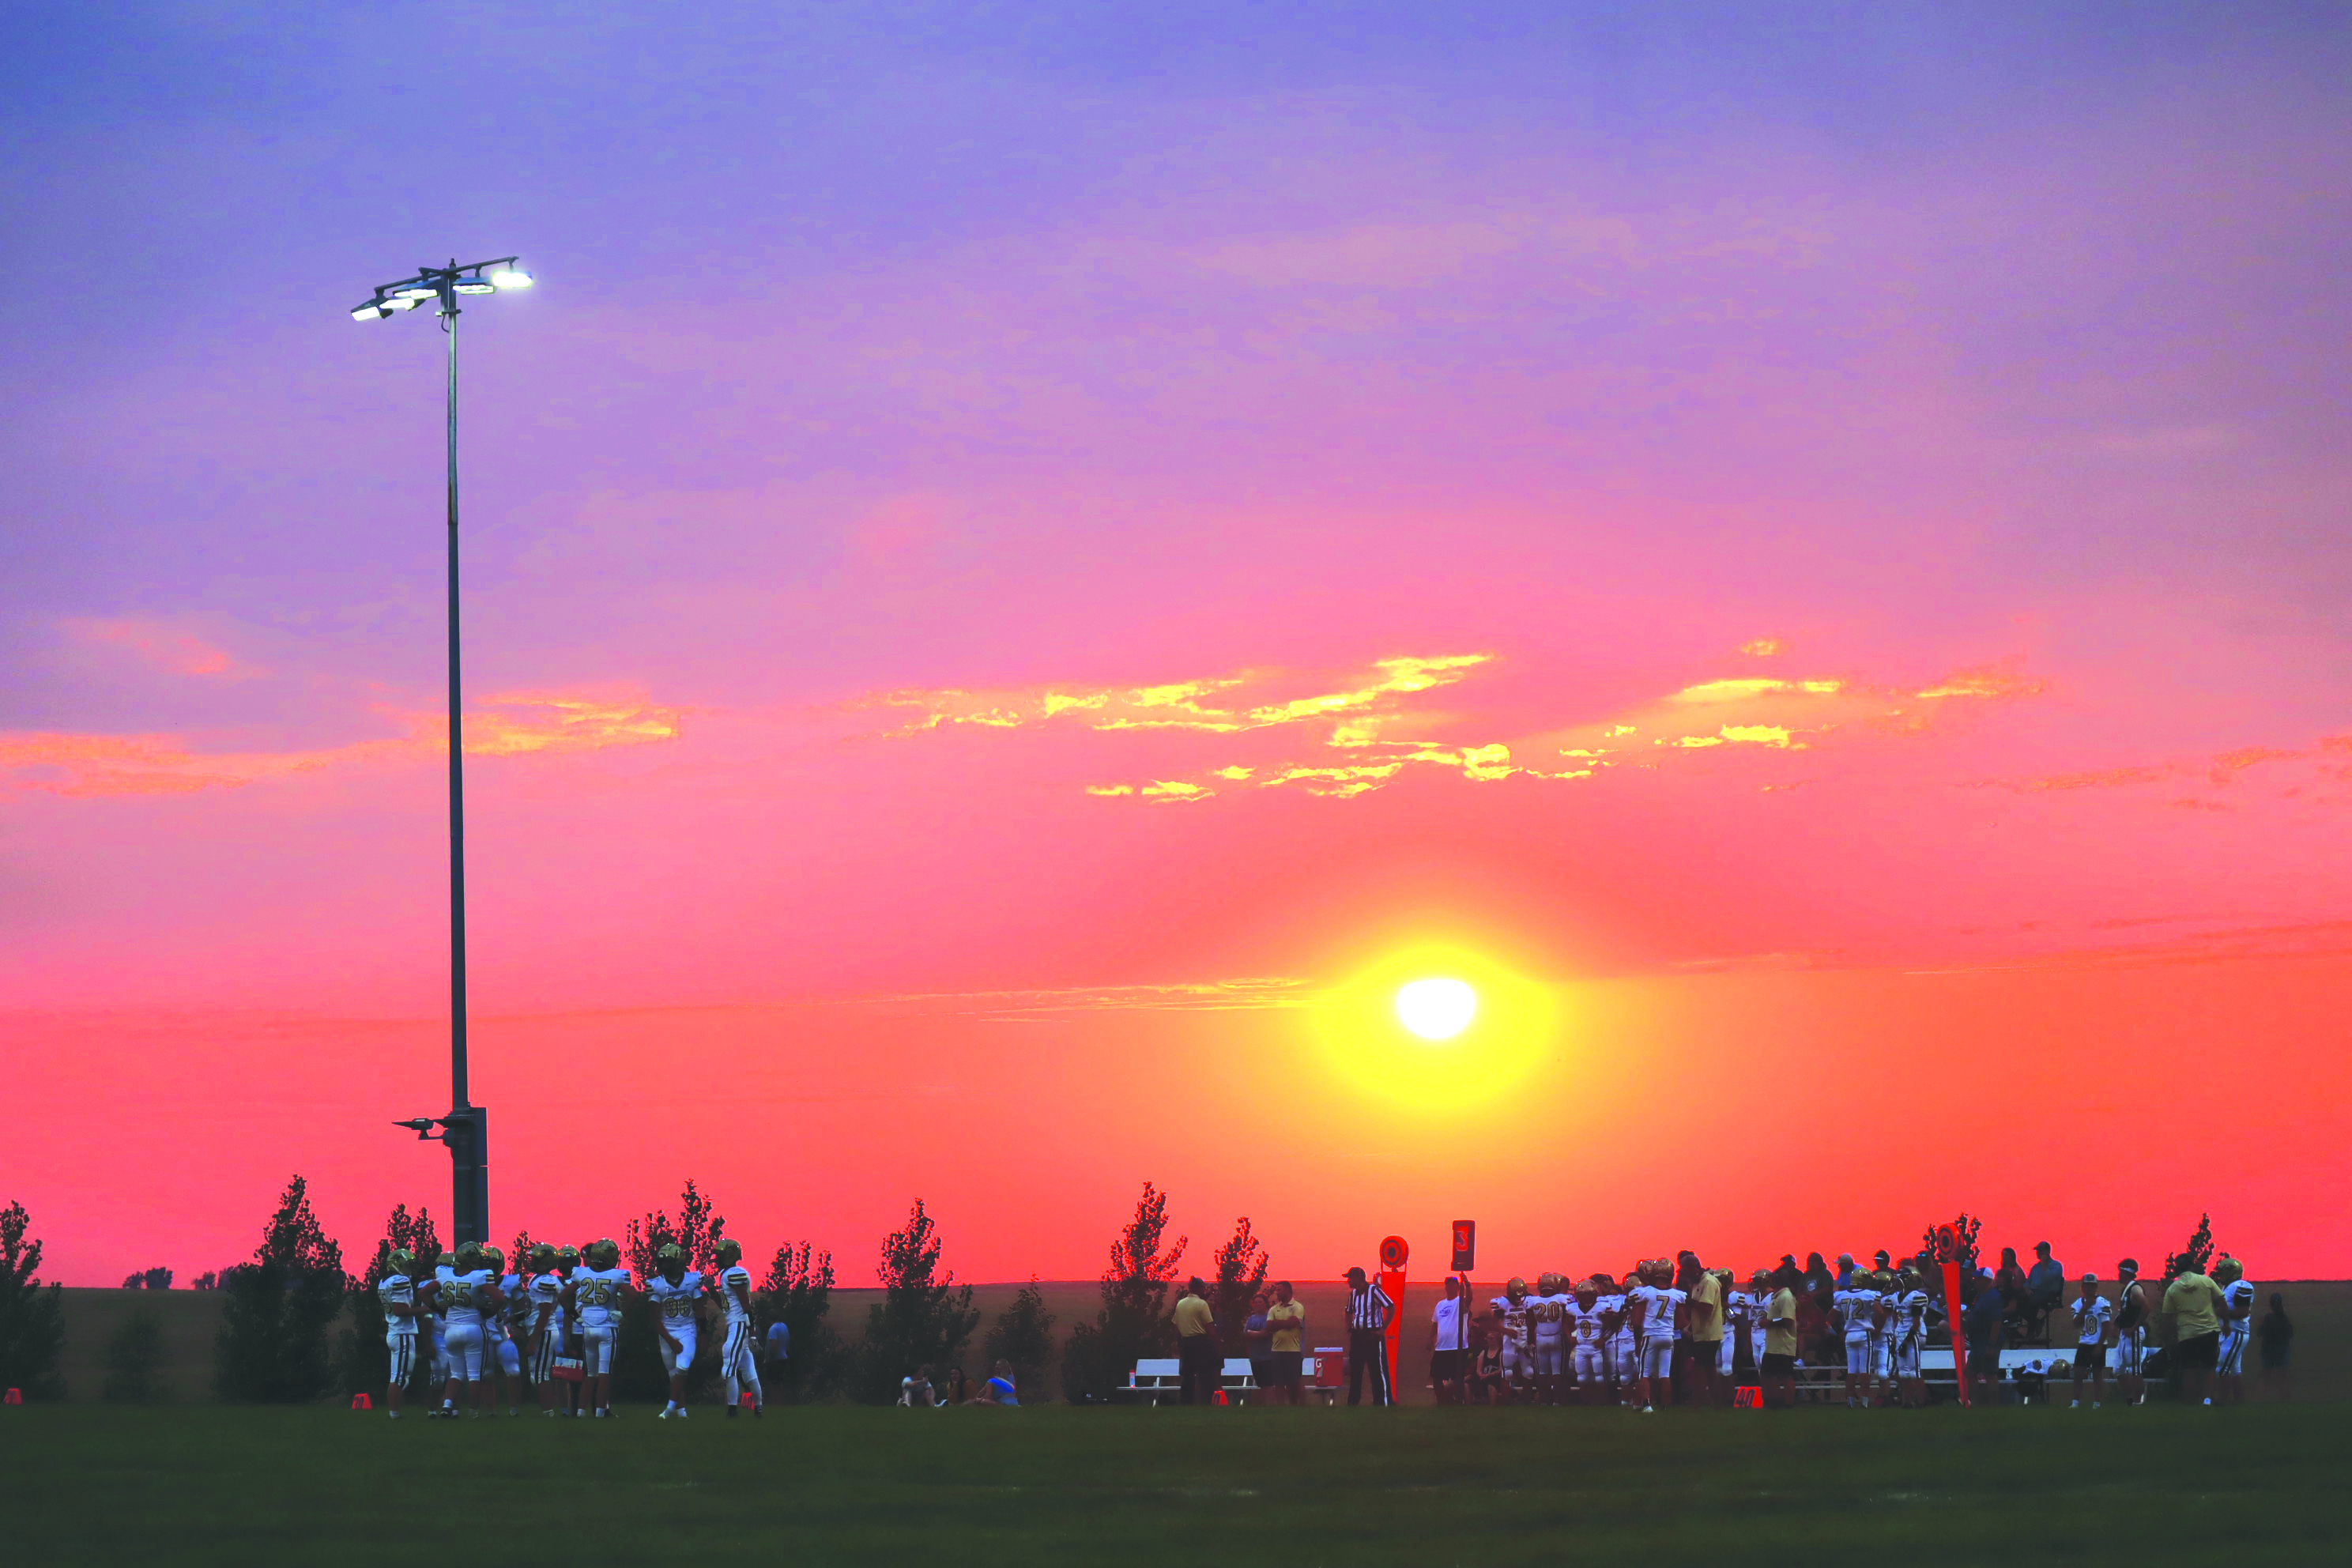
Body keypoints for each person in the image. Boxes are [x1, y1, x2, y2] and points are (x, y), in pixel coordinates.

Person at [438, 1242, 501, 1418]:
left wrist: (439, 1310)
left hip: (451, 1329)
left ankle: (447, 1404)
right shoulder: (480, 1276)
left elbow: (424, 1293)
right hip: (474, 1327)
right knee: (474, 1375)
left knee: (456, 1373)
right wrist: (489, 1313)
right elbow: (500, 1298)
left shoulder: (445, 1274)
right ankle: (473, 1412)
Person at [569, 1238, 628, 1418]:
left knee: (590, 1373)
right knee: (604, 1373)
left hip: (587, 1327)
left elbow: (564, 1296)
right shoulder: (617, 1275)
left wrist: (575, 1316)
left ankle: (580, 1412)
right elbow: (632, 1296)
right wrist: (623, 1313)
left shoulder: (582, 1274)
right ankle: (601, 1412)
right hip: (607, 1326)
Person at [646, 1242, 705, 1419]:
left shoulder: (692, 1280)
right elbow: (655, 1318)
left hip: (687, 1329)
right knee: (674, 1374)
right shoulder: (656, 1284)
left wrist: (704, 1335)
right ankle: (682, 1412)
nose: (663, 1266)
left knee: (683, 1366)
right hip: (667, 1331)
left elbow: (701, 1310)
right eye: (661, 1262)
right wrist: (670, 1340)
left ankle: (668, 1410)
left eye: (668, 1262)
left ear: (678, 1262)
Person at [2164, 1257, 2226, 1406]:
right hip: (2209, 1330)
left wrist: (2167, 1337)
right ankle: (2207, 1399)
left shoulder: (2173, 1289)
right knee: (2210, 1367)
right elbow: (2222, 1302)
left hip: (2187, 1333)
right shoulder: (2206, 1281)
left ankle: (2189, 1402)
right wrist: (2227, 1323)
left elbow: (2167, 1317)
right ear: (2192, 1265)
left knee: (2189, 1368)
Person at [712, 1237, 763, 1418]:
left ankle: (732, 1410)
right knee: (749, 1371)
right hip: (736, 1324)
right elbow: (727, 1307)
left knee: (728, 1368)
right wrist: (711, 1290)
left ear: (728, 1256)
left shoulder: (735, 1273)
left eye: (719, 1255)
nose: (715, 1259)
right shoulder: (727, 1274)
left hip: (739, 1325)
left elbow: (745, 1305)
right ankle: (758, 1410)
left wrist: (752, 1333)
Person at [1628, 1259, 1686, 1414]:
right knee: (1665, 1374)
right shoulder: (1677, 1295)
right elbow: (1681, 1322)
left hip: (1651, 1335)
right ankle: (1665, 1406)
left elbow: (1637, 1321)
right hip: (1668, 1336)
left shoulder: (1645, 1292)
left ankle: (1646, 1405)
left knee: (1644, 1372)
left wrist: (1638, 1340)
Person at [378, 1247, 427, 1419]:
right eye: (407, 1265)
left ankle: (395, 1413)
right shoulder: (400, 1280)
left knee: (397, 1376)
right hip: (402, 1333)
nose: (410, 1269)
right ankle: (395, 1414)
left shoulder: (385, 1281)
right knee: (400, 1378)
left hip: (394, 1332)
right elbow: (400, 1310)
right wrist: (425, 1309)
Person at [523, 1245, 567, 1416]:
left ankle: (548, 1412)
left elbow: (544, 1312)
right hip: (543, 1330)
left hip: (545, 1331)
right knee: (538, 1374)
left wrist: (533, 1341)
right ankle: (549, 1409)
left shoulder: (546, 1281)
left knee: (541, 1374)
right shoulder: (538, 1278)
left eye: (535, 1258)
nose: (531, 1261)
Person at [1343, 1265, 1395, 1406]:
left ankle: (1380, 1402)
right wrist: (1350, 1329)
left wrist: (1383, 1328)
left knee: (1376, 1371)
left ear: (1358, 1278)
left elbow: (1390, 1306)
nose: (1348, 1281)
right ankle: (1353, 1403)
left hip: (1372, 1336)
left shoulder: (1374, 1291)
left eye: (1350, 1278)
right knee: (1356, 1371)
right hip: (1357, 1337)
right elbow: (1348, 1311)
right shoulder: (1353, 1295)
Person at [1886, 1265, 1936, 1408]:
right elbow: (1896, 1320)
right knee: (1903, 1373)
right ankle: (1906, 1402)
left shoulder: (1918, 1297)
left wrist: (1906, 1341)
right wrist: (1895, 1339)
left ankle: (1921, 1402)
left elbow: (1916, 1322)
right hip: (1901, 1334)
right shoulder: (1895, 1297)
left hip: (1914, 1335)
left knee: (1914, 1372)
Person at [1834, 1268, 1882, 1408]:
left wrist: (1840, 1332)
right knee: (1864, 1369)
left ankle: (1850, 1401)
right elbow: (1880, 1313)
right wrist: (1876, 1329)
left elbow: (1830, 1317)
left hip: (1849, 1334)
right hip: (1863, 1333)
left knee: (1851, 1370)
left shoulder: (1841, 1295)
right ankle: (1865, 1402)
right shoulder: (1870, 1295)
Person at [1683, 1255, 1724, 1407]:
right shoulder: (1699, 1282)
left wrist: (1688, 1301)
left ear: (1695, 1267)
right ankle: (1715, 1402)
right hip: (1702, 1333)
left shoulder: (1708, 1282)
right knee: (1709, 1368)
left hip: (1709, 1334)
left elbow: (1706, 1308)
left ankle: (1700, 1401)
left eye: (1686, 1269)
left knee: (1701, 1369)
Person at [2212, 1256, 2254, 1406]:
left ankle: (2220, 1402)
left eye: (2223, 1271)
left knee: (2222, 1368)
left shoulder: (2241, 1285)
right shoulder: (2227, 1287)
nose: (2220, 1274)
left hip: (2236, 1332)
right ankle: (2240, 1403)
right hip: (2231, 1333)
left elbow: (2243, 1311)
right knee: (2235, 1369)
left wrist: (2219, 1313)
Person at [1173, 1276, 1219, 1405]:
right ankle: (1206, 1401)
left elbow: (1176, 1325)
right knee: (1205, 1374)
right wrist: (1216, 1343)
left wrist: (1178, 1341)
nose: (1204, 1290)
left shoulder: (1180, 1304)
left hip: (1186, 1342)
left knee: (1187, 1375)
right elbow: (1209, 1325)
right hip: (1201, 1342)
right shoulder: (1202, 1304)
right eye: (1203, 1288)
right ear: (1198, 1289)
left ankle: (1186, 1402)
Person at [2067, 1273, 2112, 1408]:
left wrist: (2099, 1345)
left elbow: (2106, 1326)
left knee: (2097, 1374)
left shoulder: (2102, 1303)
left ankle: (2097, 1403)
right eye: (2087, 1285)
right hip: (2084, 1342)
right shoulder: (2077, 1304)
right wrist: (2085, 1307)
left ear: (2096, 1287)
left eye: (2092, 1286)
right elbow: (2076, 1324)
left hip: (2097, 1343)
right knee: (2078, 1372)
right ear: (2082, 1287)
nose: (2090, 1289)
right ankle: (2075, 1402)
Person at [2113, 1258, 2152, 1404]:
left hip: (2133, 1333)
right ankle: (2130, 1398)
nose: (2118, 1275)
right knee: (2119, 1369)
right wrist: (2117, 1325)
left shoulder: (2135, 1289)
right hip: (2126, 1333)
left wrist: (2134, 1327)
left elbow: (2146, 1307)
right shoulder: (2126, 1290)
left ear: (2125, 1272)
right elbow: (2125, 1312)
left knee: (2135, 1369)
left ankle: (2137, 1401)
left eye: (2120, 1271)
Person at [1491, 1277, 1535, 1403]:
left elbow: (1532, 1321)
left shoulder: (1527, 1301)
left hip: (1524, 1340)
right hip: (1509, 1341)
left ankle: (1527, 1400)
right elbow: (1493, 1324)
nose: (1518, 1299)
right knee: (1507, 1373)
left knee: (1529, 1371)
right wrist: (1507, 1331)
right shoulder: (1503, 1303)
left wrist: (1530, 1339)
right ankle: (1506, 1401)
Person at [1963, 1274, 2005, 1403]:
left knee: (1990, 1374)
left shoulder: (1993, 1297)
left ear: (1987, 1280)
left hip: (1986, 1341)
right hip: (1978, 1342)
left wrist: (1992, 1345)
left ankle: (1992, 1404)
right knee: (1970, 1372)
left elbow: (1996, 1322)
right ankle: (1977, 1402)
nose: (1975, 1281)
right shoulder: (1981, 1296)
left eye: (1978, 1279)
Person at [1761, 1269, 1799, 1410]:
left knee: (1785, 1376)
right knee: (1767, 1375)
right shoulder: (1776, 1297)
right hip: (1773, 1344)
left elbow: (1788, 1320)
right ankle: (1773, 1401)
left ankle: (1788, 1404)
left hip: (1783, 1344)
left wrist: (1769, 1323)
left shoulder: (1786, 1297)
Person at [1264, 1280, 1306, 1405]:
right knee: (1279, 1381)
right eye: (1276, 1290)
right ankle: (1280, 1406)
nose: (1277, 1292)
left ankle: (1296, 1405)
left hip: (1293, 1351)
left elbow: (1293, 1323)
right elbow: (1269, 1326)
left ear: (1288, 1290)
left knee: (1294, 1381)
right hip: (1277, 1351)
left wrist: (1278, 1323)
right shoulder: (1273, 1309)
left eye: (1279, 1289)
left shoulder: (1298, 1307)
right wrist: (1285, 1323)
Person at [1528, 1272, 1568, 1404]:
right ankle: (1557, 1401)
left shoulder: (1532, 1301)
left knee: (1542, 1372)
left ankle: (1544, 1401)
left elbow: (1530, 1322)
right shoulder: (1562, 1298)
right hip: (1557, 1336)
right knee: (1558, 1372)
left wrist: (1529, 1341)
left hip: (1540, 1337)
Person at [1430, 1276, 1470, 1404]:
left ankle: (1456, 1400)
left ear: (1457, 1287)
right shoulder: (1440, 1305)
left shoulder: (1460, 1302)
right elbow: (1435, 1323)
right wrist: (1430, 1338)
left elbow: (1469, 1300)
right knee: (1436, 1375)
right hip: (1442, 1347)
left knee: (1457, 1376)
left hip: (1457, 1346)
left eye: (1453, 1285)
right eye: (1448, 1285)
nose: (1450, 1287)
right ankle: (1441, 1401)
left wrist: (1467, 1286)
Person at [1566, 1278, 1607, 1404]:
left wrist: (1604, 1338)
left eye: (1589, 1294)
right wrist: (1569, 1336)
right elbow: (1565, 1323)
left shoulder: (1602, 1306)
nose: (1586, 1298)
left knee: (1599, 1377)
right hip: (1581, 1346)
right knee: (1582, 1377)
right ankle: (1586, 1402)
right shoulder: (1572, 1308)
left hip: (1596, 1347)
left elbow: (1612, 1324)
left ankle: (1600, 1402)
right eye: (1583, 1295)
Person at [2257, 1293, 2293, 1401]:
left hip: (2268, 1350)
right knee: (2283, 1378)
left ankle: (2260, 1401)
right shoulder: (2285, 1318)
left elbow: (2259, 1333)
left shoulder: (2267, 1318)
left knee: (2265, 1377)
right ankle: (2286, 1402)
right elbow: (2291, 1334)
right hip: (2282, 1349)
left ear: (2270, 1304)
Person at [1245, 1291, 1275, 1402]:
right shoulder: (1251, 1319)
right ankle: (1261, 1406)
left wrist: (1253, 1334)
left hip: (1268, 1357)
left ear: (1266, 1304)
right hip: (1255, 1357)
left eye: (1260, 1302)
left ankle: (1270, 1406)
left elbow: (1266, 1333)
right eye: (1255, 1302)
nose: (1257, 1304)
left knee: (1268, 1384)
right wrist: (1257, 1334)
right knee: (1260, 1384)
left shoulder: (1270, 1317)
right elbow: (1246, 1335)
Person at [2026, 1242, 2067, 1325]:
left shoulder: (2056, 1266)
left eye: (2040, 1251)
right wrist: (2026, 1289)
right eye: (2037, 1251)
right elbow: (2028, 1281)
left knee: (2032, 1301)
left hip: (2049, 1294)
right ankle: (2035, 1324)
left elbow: (2048, 1279)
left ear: (2047, 1252)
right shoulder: (2035, 1268)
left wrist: (2044, 1265)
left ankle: (2033, 1328)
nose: (2038, 1253)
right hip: (2034, 1293)